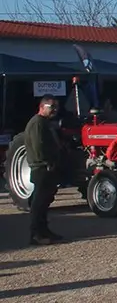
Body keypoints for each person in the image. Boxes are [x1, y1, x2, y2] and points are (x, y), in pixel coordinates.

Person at [24, 95, 65, 246]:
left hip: (48, 166)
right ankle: (36, 234)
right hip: (41, 167)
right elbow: (38, 146)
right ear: (42, 107)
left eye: (56, 107)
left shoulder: (46, 123)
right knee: (38, 203)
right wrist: (47, 162)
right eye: (51, 107)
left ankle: (44, 230)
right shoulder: (37, 123)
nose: (55, 110)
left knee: (45, 201)